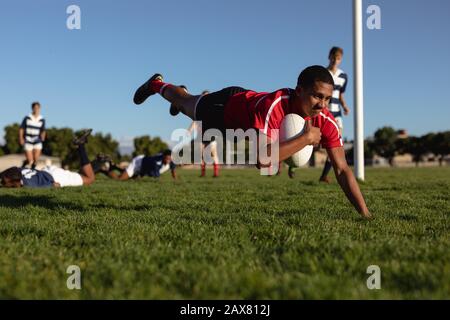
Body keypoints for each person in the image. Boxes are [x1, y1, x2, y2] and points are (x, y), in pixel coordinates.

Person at [132, 65, 371, 219]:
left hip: (245, 120)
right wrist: (306, 138)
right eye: (317, 96)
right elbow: (263, 161)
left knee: (186, 103)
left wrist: (365, 214)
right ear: (299, 91)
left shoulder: (325, 119)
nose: (323, 104)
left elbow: (341, 168)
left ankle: (182, 94)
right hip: (227, 106)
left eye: (328, 99)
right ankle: (156, 84)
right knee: (186, 105)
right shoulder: (276, 105)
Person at [1, 129, 95, 188]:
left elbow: (52, 185)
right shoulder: (17, 170)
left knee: (89, 178)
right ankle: (99, 162)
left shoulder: (28, 184)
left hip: (55, 177)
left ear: (15, 181)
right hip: (47, 171)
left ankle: (81, 145)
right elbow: (7, 176)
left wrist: (55, 186)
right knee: (82, 174)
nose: (3, 183)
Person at [319, 47, 350, 183]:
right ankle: (293, 164)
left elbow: (340, 94)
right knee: (313, 142)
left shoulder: (343, 76)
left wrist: (344, 106)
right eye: (333, 57)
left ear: (340, 60)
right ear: (329, 57)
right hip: (323, 111)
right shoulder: (323, 73)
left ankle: (324, 175)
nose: (335, 61)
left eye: (337, 59)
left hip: (337, 113)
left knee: (336, 143)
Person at [104, 149, 177, 181]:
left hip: (143, 165)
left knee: (131, 178)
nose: (168, 160)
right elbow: (152, 172)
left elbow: (173, 170)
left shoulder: (172, 160)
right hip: (138, 163)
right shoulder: (156, 162)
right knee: (120, 179)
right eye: (167, 159)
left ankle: (114, 166)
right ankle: (103, 169)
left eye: (169, 159)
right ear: (163, 157)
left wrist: (175, 179)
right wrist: (141, 175)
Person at [19, 102, 46, 169]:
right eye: (35, 108)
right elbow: (21, 129)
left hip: (37, 140)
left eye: (37, 108)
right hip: (28, 139)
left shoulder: (42, 119)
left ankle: (33, 173)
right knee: (30, 161)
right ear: (32, 108)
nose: (36, 109)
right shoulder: (27, 117)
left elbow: (43, 130)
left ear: (39, 108)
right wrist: (21, 138)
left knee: (35, 160)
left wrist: (43, 136)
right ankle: (26, 162)